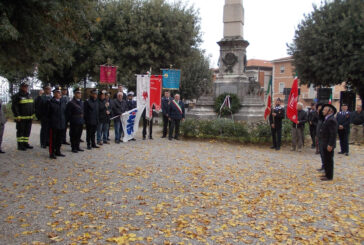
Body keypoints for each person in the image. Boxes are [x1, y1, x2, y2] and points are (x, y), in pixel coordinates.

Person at [11, 82, 34, 151]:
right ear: (21, 87)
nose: (26, 88)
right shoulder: (17, 96)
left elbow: (32, 106)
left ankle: (25, 143)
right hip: (21, 118)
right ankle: (20, 145)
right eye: (24, 87)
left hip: (29, 118)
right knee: (21, 131)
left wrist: (33, 114)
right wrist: (17, 115)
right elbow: (15, 107)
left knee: (27, 131)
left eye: (26, 87)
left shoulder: (29, 95)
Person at [47, 86, 67, 159]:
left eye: (59, 92)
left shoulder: (63, 101)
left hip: (61, 123)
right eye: (57, 92)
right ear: (54, 93)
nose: (59, 94)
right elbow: (48, 114)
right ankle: (52, 153)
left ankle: (58, 151)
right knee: (53, 139)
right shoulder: (50, 102)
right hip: (54, 124)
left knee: (59, 139)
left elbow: (65, 112)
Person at [319, 104, 337, 181]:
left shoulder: (331, 120)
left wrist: (330, 144)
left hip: (328, 143)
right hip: (324, 141)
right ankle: (327, 173)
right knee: (326, 159)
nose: (323, 111)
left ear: (330, 111)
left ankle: (329, 176)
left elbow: (333, 134)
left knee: (329, 159)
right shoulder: (327, 118)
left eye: (325, 110)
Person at [66, 87, 84, 153]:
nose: (80, 94)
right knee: (73, 134)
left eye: (80, 93)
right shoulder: (71, 103)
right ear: (75, 94)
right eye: (78, 93)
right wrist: (69, 121)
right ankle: (73, 147)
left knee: (79, 134)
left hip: (80, 120)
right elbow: (68, 113)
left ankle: (77, 146)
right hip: (74, 121)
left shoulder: (82, 102)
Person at [35, 84, 52, 148]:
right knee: (44, 130)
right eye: (48, 89)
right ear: (44, 90)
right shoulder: (41, 97)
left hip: (50, 116)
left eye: (50, 89)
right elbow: (38, 107)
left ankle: (47, 141)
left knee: (49, 130)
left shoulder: (51, 97)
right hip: (44, 116)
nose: (49, 90)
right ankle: (43, 143)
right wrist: (39, 116)